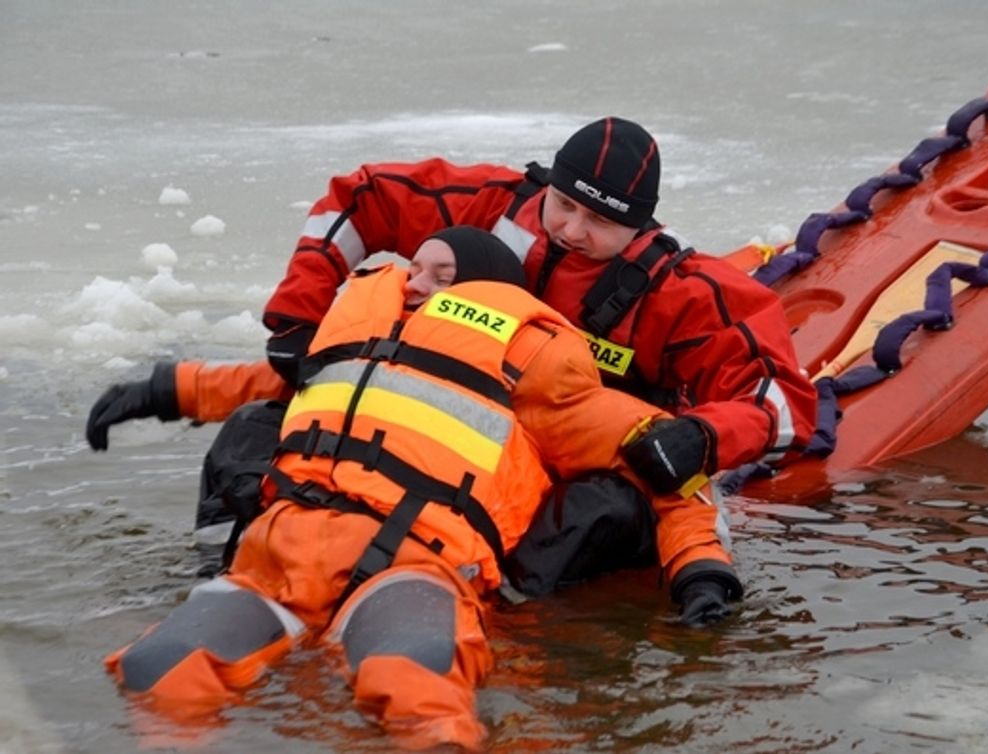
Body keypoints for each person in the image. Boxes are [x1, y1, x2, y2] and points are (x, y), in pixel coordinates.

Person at [88, 116, 816, 584]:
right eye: (563, 205)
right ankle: (235, 563)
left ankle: (496, 603)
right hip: (425, 435)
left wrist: (698, 437)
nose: (569, 229)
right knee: (253, 431)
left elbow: (781, 401)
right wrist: (298, 318)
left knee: (617, 508)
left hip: (552, 458)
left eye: (598, 222)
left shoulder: (686, 295)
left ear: (640, 228)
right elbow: (359, 198)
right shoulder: (493, 207)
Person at [103, 227, 742, 752]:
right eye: (414, 267)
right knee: (158, 668)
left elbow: (668, 463)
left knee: (416, 690)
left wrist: (701, 571)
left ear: (484, 298)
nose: (414, 284)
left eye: (441, 276)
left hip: (413, 567)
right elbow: (261, 383)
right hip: (275, 561)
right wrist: (163, 388)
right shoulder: (356, 340)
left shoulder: (532, 369)